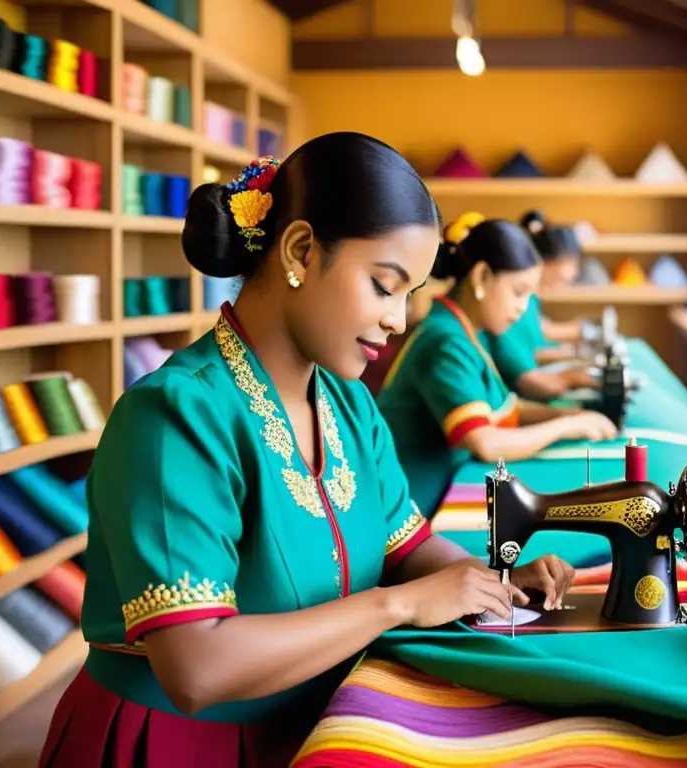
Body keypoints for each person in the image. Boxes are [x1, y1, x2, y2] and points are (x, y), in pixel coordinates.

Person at [38, 134, 577, 768]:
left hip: (317, 724)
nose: (399, 320)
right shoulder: (175, 417)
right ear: (299, 250)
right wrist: (396, 606)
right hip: (177, 746)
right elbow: (197, 667)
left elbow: (406, 547)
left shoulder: (347, 405)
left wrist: (496, 584)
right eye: (384, 285)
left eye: (410, 295)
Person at [376, 215, 618, 518]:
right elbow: (485, 442)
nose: (523, 306)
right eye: (518, 292)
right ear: (481, 277)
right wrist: (566, 426)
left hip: (443, 483)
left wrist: (571, 415)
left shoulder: (471, 332)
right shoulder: (446, 343)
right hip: (410, 503)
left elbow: (506, 411)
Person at [486, 211, 602, 400]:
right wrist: (574, 375)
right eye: (572, 263)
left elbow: (529, 350)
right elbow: (531, 379)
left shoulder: (525, 301)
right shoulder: (506, 311)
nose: (574, 274)